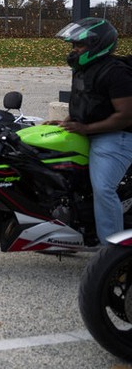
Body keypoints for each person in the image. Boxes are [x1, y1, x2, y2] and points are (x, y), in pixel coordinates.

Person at [54, 17, 132, 245]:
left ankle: (113, 255)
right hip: (88, 131)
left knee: (103, 189)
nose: (75, 50)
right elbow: (87, 104)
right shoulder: (84, 70)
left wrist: (86, 128)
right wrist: (66, 121)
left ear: (98, 45)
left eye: (80, 45)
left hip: (116, 137)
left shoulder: (116, 73)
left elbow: (125, 116)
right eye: (74, 46)